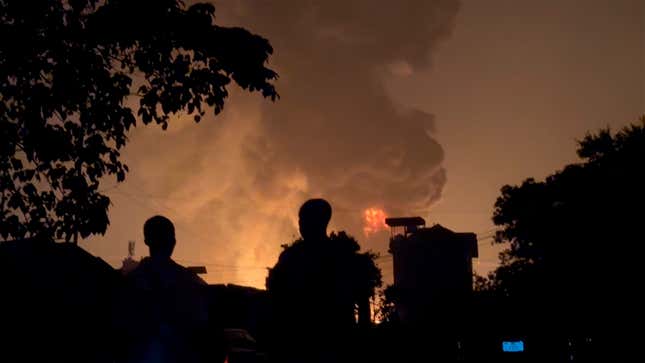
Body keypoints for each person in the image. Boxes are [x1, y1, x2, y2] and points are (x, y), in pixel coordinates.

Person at [267, 199, 375, 362]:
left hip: (313, 346)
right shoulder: (343, 256)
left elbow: (275, 300)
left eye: (304, 219)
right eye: (301, 219)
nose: (301, 224)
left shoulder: (292, 258)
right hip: (317, 345)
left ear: (320, 221)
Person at [114, 215, 212, 363]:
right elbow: (202, 322)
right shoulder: (188, 279)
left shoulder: (131, 278)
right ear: (173, 242)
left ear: (147, 240)